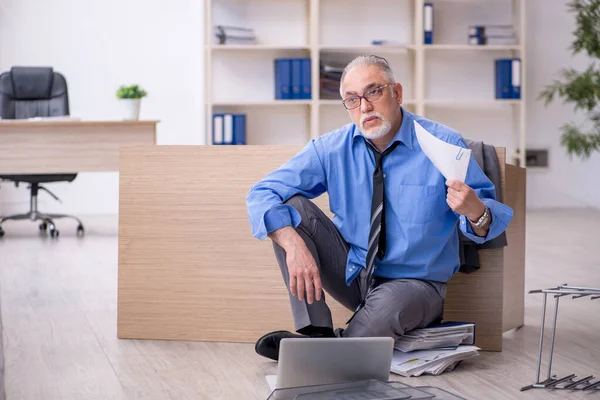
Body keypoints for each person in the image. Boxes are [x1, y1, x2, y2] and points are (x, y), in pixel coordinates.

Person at [246, 55, 514, 361]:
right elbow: (262, 192)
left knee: (381, 317)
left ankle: (326, 353)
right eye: (352, 99)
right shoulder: (330, 148)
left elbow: (490, 221)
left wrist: (474, 210)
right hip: (353, 275)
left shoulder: (443, 143)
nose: (365, 107)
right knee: (291, 209)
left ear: (396, 93)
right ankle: (315, 334)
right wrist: (292, 242)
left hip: (415, 286)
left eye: (374, 92)